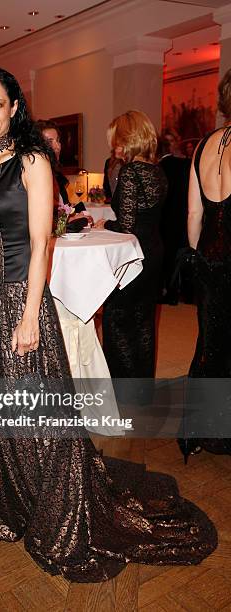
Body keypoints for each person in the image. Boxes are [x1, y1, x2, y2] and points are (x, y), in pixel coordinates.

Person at [0, 68, 216, 582]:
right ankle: (12, 498)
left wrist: (30, 313)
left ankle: (52, 501)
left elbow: (41, 243)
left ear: (13, 108)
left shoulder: (32, 160)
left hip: (18, 300)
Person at [178, 68, 231, 462]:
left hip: (209, 259)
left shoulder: (204, 146)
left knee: (210, 345)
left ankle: (200, 431)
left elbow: (194, 215)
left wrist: (198, 257)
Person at [95, 111, 167, 383]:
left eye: (117, 140)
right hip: (155, 251)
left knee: (117, 319)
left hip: (133, 257)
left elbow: (126, 225)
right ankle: (142, 389)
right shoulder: (157, 171)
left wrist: (104, 225)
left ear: (128, 139)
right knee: (144, 322)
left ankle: (121, 388)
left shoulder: (130, 172)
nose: (115, 146)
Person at [158, 135, 191, 305]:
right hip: (184, 213)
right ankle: (182, 292)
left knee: (170, 254)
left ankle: (170, 292)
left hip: (167, 216)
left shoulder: (162, 166)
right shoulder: (186, 164)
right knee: (181, 253)